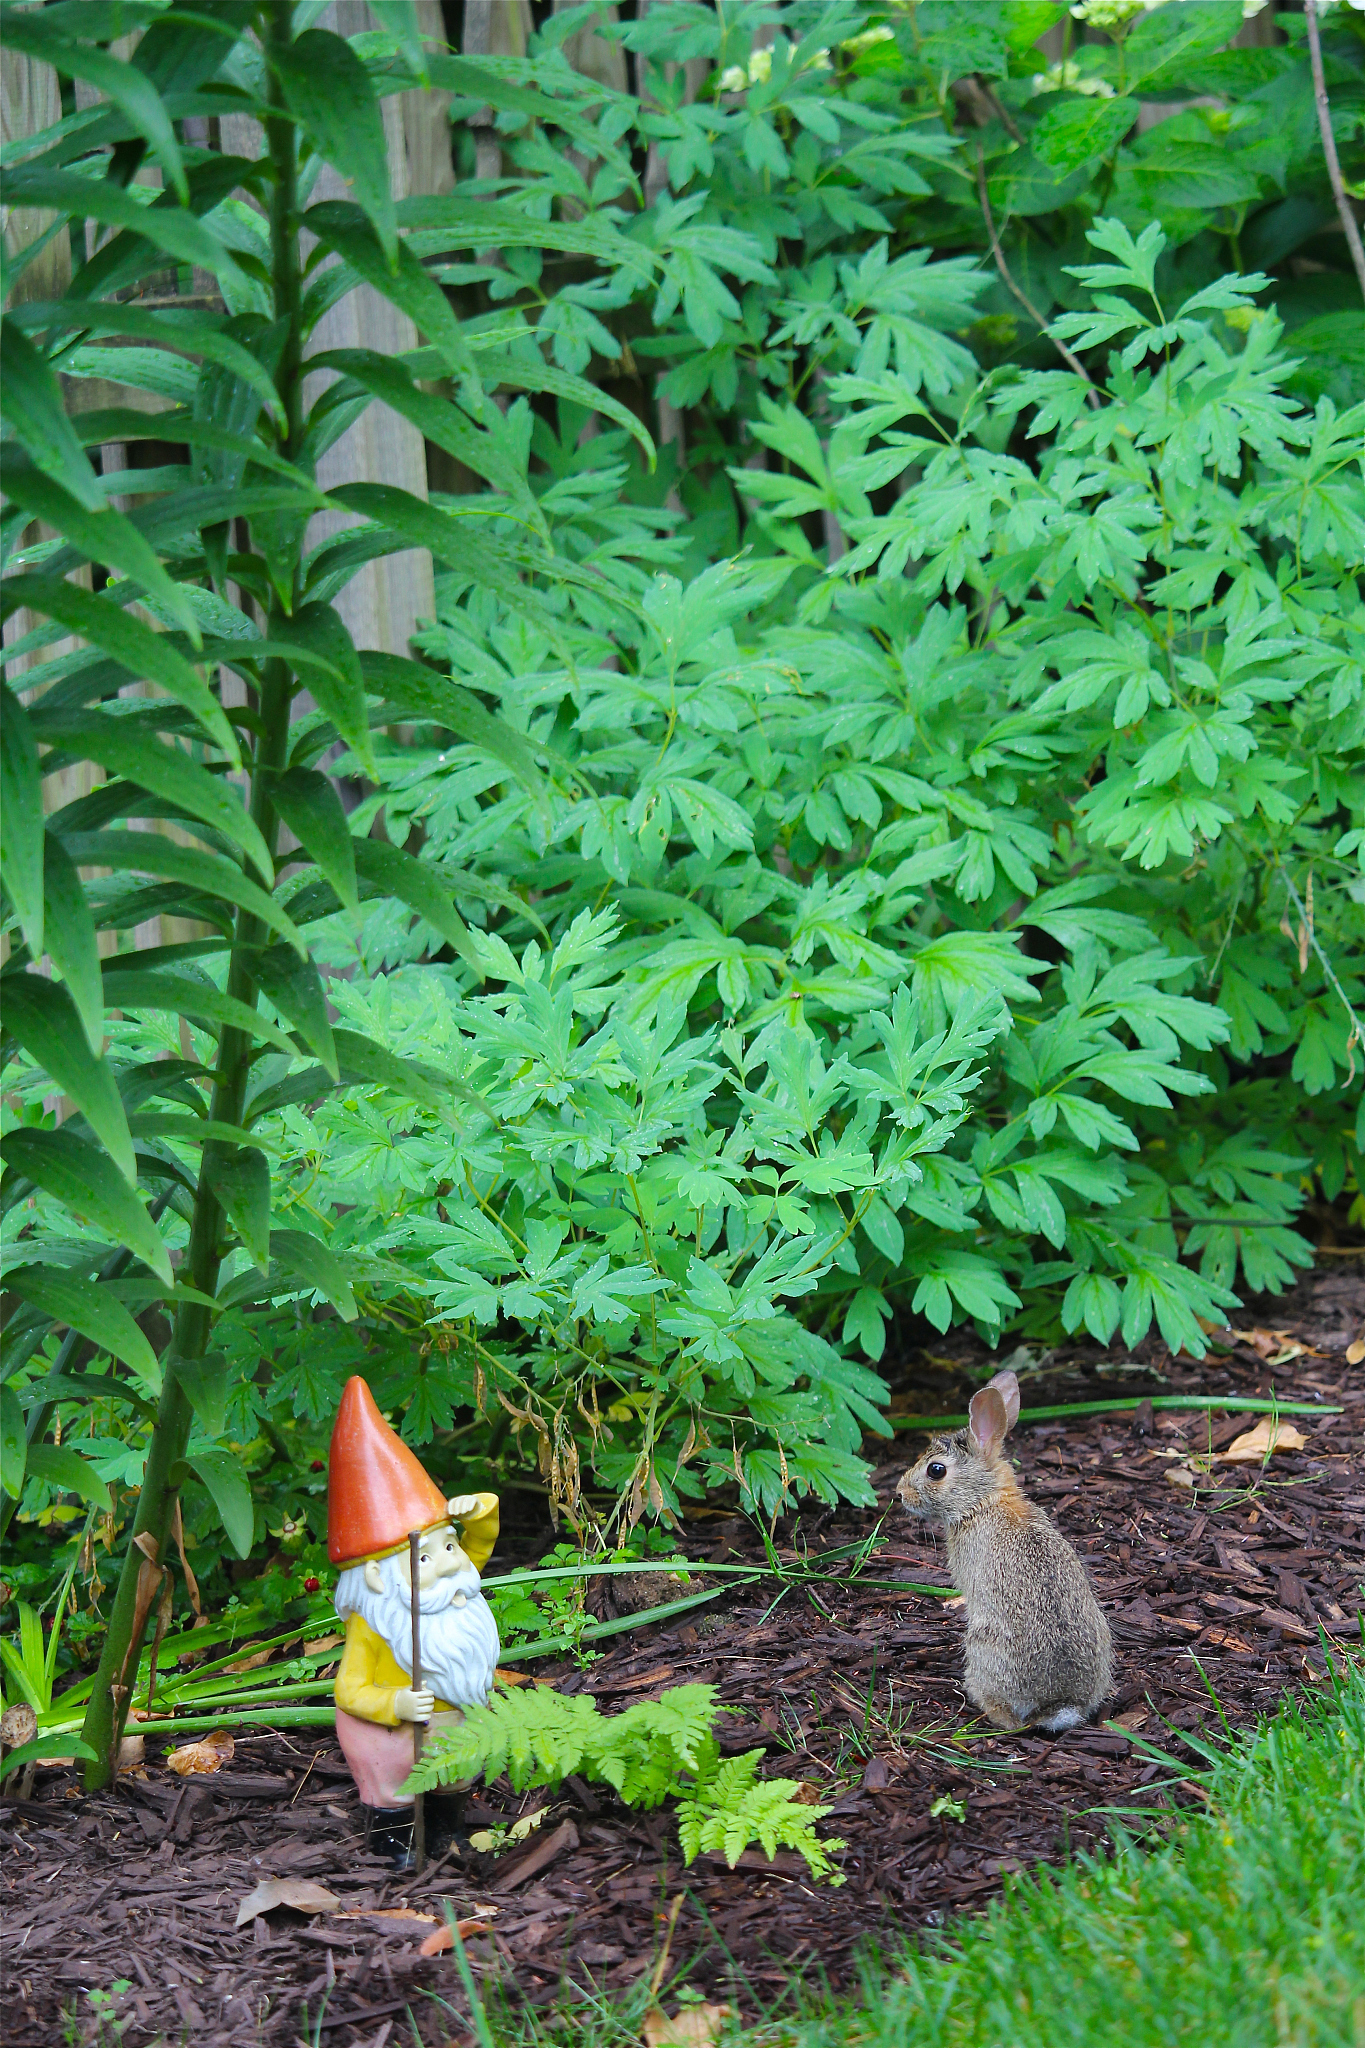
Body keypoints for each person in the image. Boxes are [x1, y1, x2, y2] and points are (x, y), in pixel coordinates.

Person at [327, 1375, 500, 1867]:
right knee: (394, 1789)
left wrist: (476, 1513)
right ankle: (394, 1845)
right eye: (425, 1557)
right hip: (391, 1732)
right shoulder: (376, 1623)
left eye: (449, 1546)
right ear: (377, 1578)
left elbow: (481, 1539)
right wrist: (394, 1703)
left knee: (454, 1776)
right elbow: (349, 1690)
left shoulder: (451, 1588)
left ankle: (447, 1833)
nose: (446, 1563)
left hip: (455, 1719)